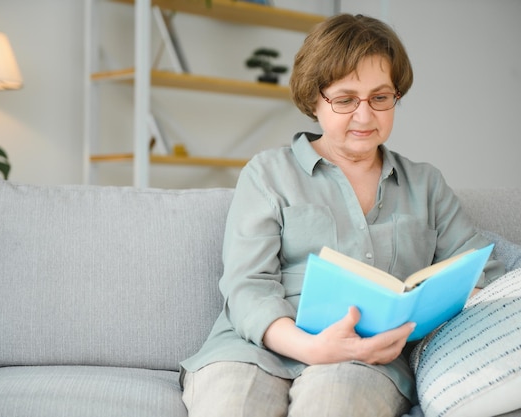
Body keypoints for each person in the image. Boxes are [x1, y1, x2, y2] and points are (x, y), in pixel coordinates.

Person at [180, 13, 503, 417]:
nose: (365, 116)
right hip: (251, 351)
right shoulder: (267, 174)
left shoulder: (427, 185)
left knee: (333, 404)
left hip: (366, 361)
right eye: (346, 99)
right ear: (314, 100)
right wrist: (311, 347)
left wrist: (428, 311)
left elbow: (481, 270)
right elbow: (247, 287)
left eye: (380, 98)